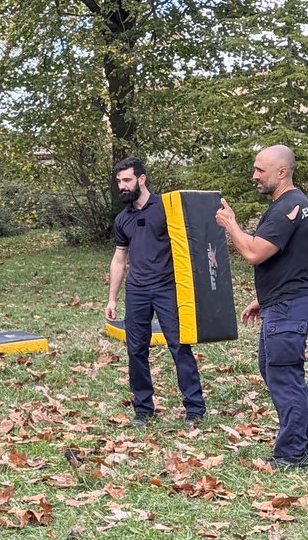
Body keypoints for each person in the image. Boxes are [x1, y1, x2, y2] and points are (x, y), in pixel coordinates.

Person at [215, 145, 308, 468]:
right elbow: (292, 258)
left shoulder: (288, 206)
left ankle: (291, 453)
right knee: (274, 368)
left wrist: (231, 224)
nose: (254, 175)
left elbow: (255, 253)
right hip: (286, 300)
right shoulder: (294, 204)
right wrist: (265, 297)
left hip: (289, 307)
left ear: (282, 172)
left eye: (260, 170)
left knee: (284, 378)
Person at [105, 158, 205, 430]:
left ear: (142, 179)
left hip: (167, 288)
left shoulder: (166, 208)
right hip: (136, 290)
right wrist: (112, 298)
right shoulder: (123, 218)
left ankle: (194, 408)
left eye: (126, 180)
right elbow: (119, 258)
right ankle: (143, 409)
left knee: (179, 346)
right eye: (118, 182)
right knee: (136, 350)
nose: (122, 186)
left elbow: (190, 244)